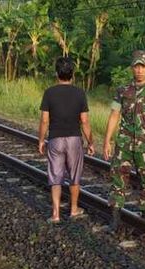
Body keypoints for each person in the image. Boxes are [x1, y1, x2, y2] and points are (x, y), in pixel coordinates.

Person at [103, 50, 145, 230]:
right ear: (132, 68)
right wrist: (107, 140)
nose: (139, 70)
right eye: (136, 66)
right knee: (118, 179)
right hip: (123, 142)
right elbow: (114, 114)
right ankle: (115, 219)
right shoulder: (123, 90)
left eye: (142, 66)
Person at [38, 56, 94, 223]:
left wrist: (41, 140)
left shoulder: (49, 93)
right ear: (73, 74)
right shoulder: (79, 93)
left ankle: (55, 214)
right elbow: (84, 121)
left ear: (57, 74)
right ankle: (74, 209)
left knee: (55, 177)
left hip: (55, 139)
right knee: (74, 176)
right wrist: (90, 142)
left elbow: (44, 120)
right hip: (74, 140)